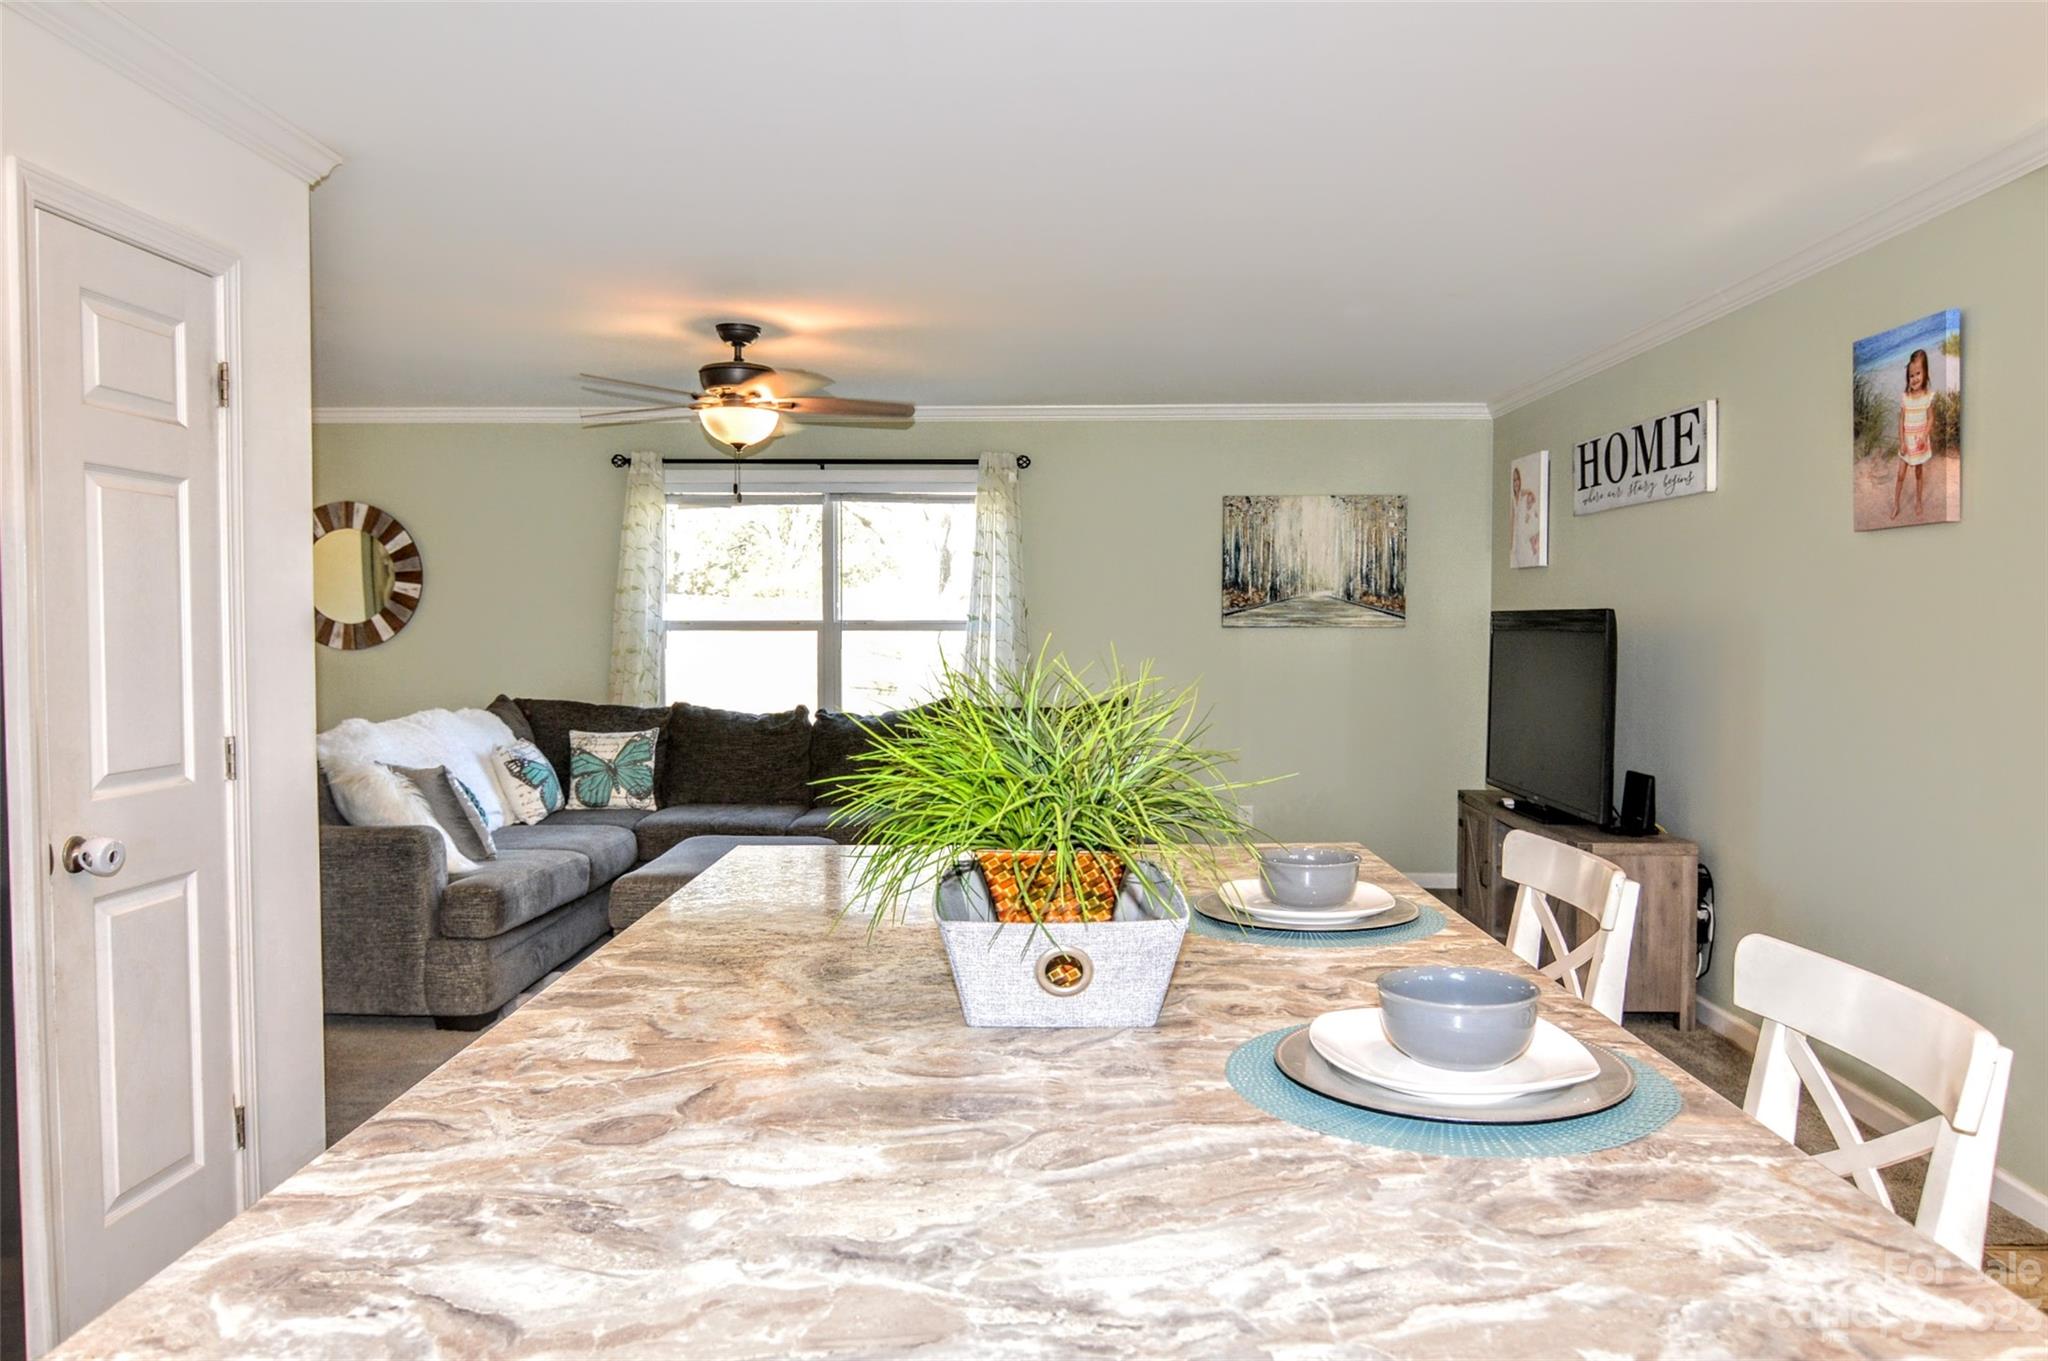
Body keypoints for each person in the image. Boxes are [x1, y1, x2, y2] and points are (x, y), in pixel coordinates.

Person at [1892, 348, 1935, 519]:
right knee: (1900, 475)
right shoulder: (1905, 398)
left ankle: (1918, 501)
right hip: (1906, 443)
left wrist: (1925, 435)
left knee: (1918, 473)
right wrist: (1901, 442)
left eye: (1918, 373)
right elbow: (1901, 421)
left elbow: (1931, 418)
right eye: (1911, 375)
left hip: (1919, 443)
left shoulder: (1928, 397)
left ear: (1925, 373)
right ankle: (1896, 504)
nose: (1915, 378)